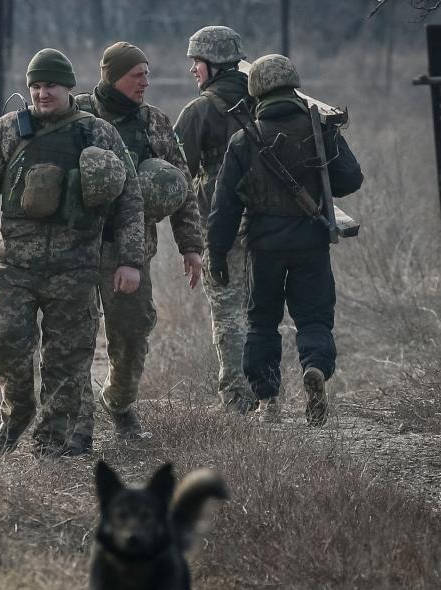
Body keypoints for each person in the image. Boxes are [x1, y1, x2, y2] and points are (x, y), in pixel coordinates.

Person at [0, 48, 145, 457]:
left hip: (75, 268)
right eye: (36, 86)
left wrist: (130, 261)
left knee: (68, 359)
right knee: (6, 341)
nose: (43, 93)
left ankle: (50, 441)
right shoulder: (8, 131)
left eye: (51, 86)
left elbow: (130, 199)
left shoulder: (98, 133)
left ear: (68, 88)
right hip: (14, 266)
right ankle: (17, 411)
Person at [206, 54, 363, 425]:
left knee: (262, 323)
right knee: (314, 319)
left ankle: (268, 401)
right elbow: (351, 179)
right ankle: (316, 370)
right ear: (293, 84)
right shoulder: (320, 129)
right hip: (312, 244)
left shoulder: (244, 139)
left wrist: (216, 254)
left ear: (256, 90)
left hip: (264, 249)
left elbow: (224, 205)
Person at [69, 42, 204, 453]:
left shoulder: (155, 125)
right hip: (74, 249)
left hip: (130, 251)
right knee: (72, 336)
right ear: (112, 76)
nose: (145, 81)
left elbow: (182, 189)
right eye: (136, 75)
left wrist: (191, 246)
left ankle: (120, 404)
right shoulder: (76, 116)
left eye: (147, 73)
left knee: (131, 335)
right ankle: (77, 421)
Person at [174, 26, 254, 414]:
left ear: (214, 65)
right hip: (272, 224)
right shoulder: (265, 100)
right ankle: (267, 395)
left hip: (220, 225)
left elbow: (176, 173)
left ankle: (237, 397)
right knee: (263, 309)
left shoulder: (200, 110)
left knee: (227, 311)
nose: (193, 70)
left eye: (197, 62)